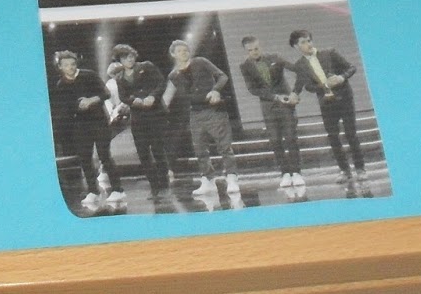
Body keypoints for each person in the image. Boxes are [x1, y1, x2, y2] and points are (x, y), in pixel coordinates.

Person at [50, 50, 126, 212]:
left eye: (72, 64)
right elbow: (65, 107)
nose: (70, 67)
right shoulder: (61, 84)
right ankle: (93, 191)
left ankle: (118, 190)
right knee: (84, 158)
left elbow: (105, 93)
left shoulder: (88, 75)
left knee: (104, 155)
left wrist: (91, 100)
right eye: (66, 65)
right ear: (60, 67)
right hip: (80, 125)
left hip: (98, 122)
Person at [289, 29, 366, 183]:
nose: (308, 44)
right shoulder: (300, 65)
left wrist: (341, 77)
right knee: (333, 137)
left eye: (309, 40)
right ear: (296, 46)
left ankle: (360, 169)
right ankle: (345, 171)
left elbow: (351, 67)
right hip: (326, 103)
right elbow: (307, 86)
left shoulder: (329, 53)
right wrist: (323, 86)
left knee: (351, 134)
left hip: (344, 98)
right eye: (303, 42)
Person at [165, 39, 239, 198]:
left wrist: (216, 90)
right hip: (196, 113)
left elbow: (222, 76)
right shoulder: (174, 75)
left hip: (214, 110)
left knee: (224, 146)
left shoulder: (200, 62)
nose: (183, 53)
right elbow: (186, 95)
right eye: (179, 51)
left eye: (185, 50)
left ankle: (231, 177)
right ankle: (208, 179)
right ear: (173, 54)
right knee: (199, 149)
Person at [238, 36, 303, 188]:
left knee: (290, 138)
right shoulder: (245, 66)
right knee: (275, 140)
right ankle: (285, 173)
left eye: (256, 48)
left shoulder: (275, 57)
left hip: (286, 104)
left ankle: (297, 173)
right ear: (246, 51)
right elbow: (252, 89)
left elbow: (297, 70)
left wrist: (295, 92)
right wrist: (274, 97)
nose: (254, 52)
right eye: (250, 50)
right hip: (268, 106)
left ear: (260, 46)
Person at [112, 43, 171, 193]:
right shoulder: (119, 77)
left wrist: (152, 96)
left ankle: (164, 181)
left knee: (157, 149)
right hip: (138, 118)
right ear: (120, 60)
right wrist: (133, 101)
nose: (129, 60)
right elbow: (123, 96)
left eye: (131, 56)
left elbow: (161, 83)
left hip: (155, 114)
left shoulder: (147, 66)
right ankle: (154, 183)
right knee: (142, 151)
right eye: (125, 58)